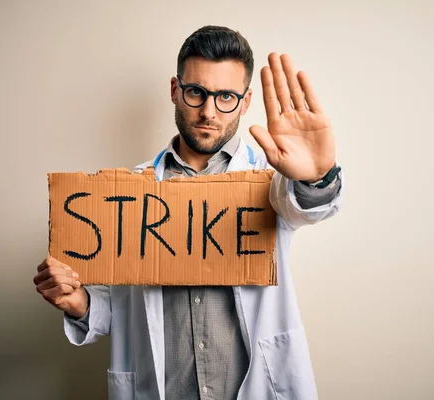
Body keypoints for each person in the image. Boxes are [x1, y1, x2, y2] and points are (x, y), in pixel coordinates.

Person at [33, 25, 343, 400]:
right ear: (175, 91)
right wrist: (79, 304)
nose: (208, 111)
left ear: (245, 103)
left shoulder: (270, 182)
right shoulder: (130, 192)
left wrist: (316, 175)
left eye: (226, 96)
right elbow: (118, 309)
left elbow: (307, 205)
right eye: (196, 92)